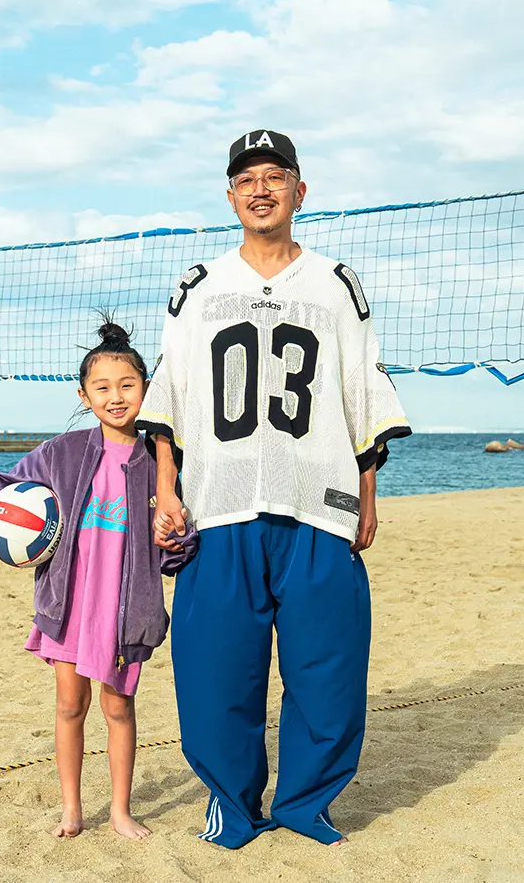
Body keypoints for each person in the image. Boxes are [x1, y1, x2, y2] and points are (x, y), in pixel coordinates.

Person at [137, 129, 411, 849]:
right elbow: (171, 394)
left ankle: (305, 802)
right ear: (230, 196)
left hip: (317, 499)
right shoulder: (199, 287)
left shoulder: (335, 284)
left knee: (328, 665)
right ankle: (231, 800)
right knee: (216, 665)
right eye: (247, 179)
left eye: (275, 176)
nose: (261, 189)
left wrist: (368, 495)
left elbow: (361, 390)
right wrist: (166, 489)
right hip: (218, 502)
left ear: (300, 190)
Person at [0, 322, 196, 840]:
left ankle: (121, 811)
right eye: (102, 387)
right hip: (69, 606)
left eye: (127, 385)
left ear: (146, 390)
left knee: (118, 707)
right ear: (83, 396)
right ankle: (71, 808)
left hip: (126, 613)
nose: (116, 396)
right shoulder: (61, 452)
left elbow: (181, 545)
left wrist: (176, 541)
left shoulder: (162, 463)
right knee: (69, 705)